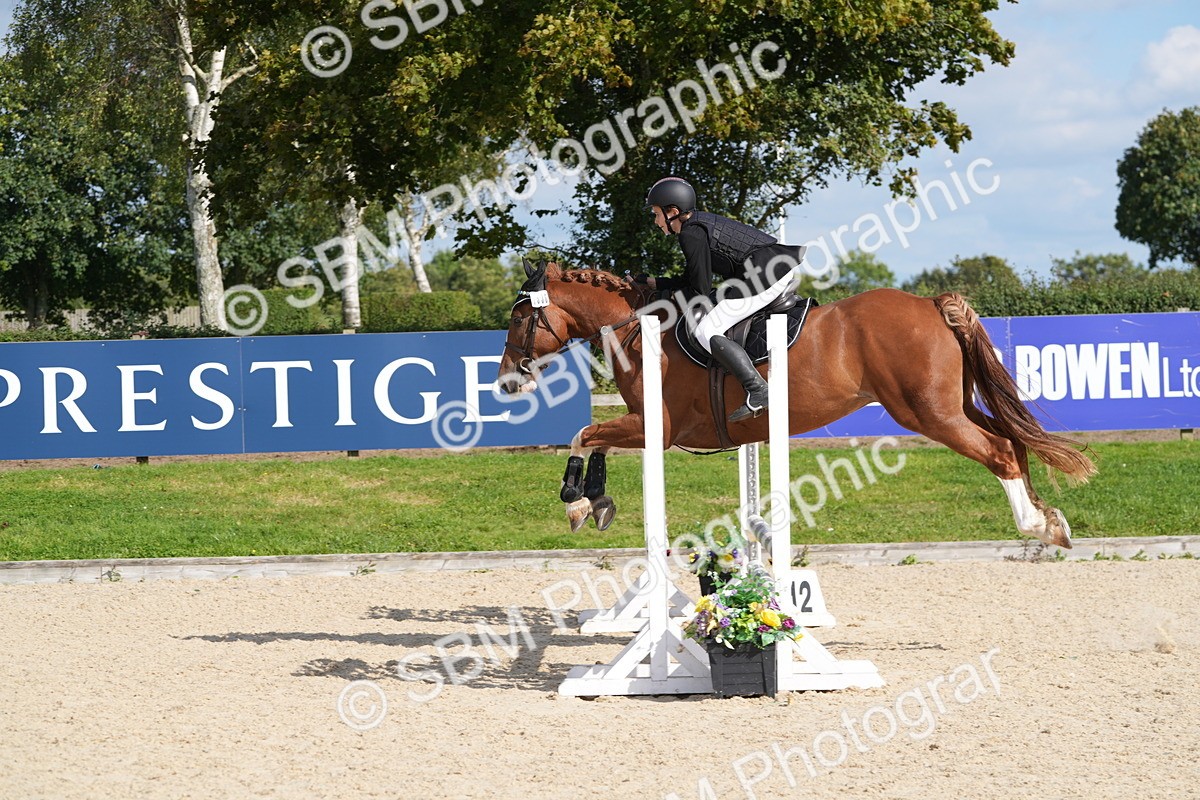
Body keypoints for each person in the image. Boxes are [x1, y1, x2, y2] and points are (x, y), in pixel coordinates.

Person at [641, 176, 802, 422]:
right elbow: (692, 279)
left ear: (672, 211)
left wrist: (664, 297)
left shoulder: (690, 234)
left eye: (656, 214)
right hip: (771, 267)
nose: (655, 221)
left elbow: (699, 291)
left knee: (706, 329)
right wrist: (657, 283)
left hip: (766, 274)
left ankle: (758, 390)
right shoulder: (697, 225)